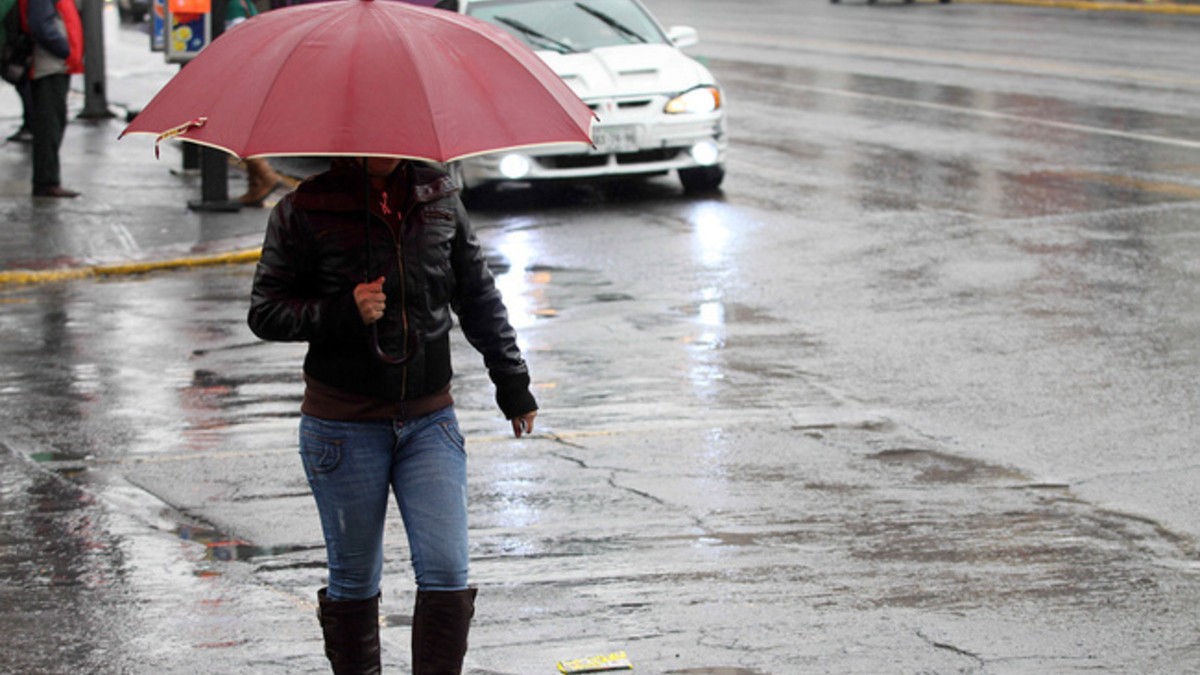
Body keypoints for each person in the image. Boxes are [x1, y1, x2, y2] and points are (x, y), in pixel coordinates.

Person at [248, 157, 538, 675]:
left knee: (448, 570)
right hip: (343, 425)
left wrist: (512, 382)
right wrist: (343, 310)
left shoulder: (439, 197)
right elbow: (265, 311)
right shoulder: (305, 208)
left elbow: (476, 294)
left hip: (429, 420)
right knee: (356, 579)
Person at [20, 0, 82, 197]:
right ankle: (46, 182)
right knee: (50, 124)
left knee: (52, 122)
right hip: (50, 65)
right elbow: (41, 25)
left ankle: (47, 180)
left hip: (54, 64)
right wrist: (65, 50)